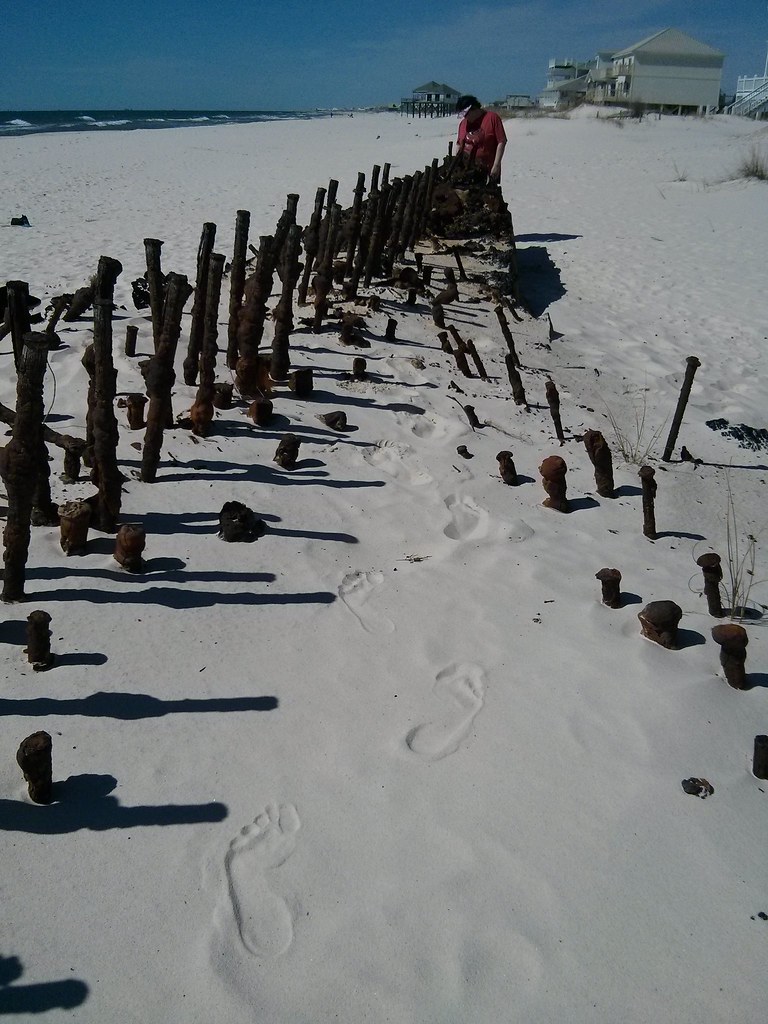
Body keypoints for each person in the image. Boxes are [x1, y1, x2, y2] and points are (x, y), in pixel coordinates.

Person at [454, 95, 506, 182]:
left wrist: (496, 165)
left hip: (487, 168)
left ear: (474, 109)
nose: (465, 117)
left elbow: (501, 141)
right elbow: (459, 144)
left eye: (466, 114)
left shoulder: (492, 118)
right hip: (466, 170)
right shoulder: (463, 123)